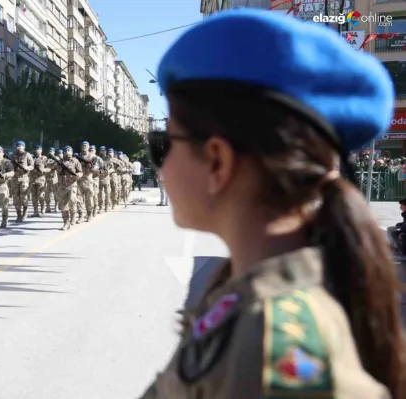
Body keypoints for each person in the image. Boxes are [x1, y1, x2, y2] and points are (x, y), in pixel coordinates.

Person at [142, 9, 404, 399]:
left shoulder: (276, 348)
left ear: (217, 161)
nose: (160, 165)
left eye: (164, 145)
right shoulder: (245, 296)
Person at [56, 146, 83, 230]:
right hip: (62, 185)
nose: (67, 152)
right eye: (66, 150)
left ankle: (73, 215)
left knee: (72, 201)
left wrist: (78, 175)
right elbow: (58, 172)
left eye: (69, 150)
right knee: (63, 205)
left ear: (72, 152)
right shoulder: (60, 161)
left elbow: (80, 172)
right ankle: (66, 222)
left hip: (72, 184)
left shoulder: (75, 161)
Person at [9, 141, 34, 222]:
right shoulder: (12, 155)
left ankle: (25, 212)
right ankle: (18, 215)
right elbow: (9, 166)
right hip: (14, 179)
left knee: (24, 197)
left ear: (24, 147)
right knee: (16, 198)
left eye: (20, 146)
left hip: (24, 178)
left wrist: (27, 168)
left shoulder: (27, 155)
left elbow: (32, 166)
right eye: (18, 146)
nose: (19, 147)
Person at [76, 141, 99, 222]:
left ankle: (89, 214)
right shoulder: (77, 156)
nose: (84, 147)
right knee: (79, 199)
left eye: (85, 145)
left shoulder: (93, 157)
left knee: (89, 199)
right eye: (82, 145)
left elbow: (97, 166)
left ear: (89, 147)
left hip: (88, 180)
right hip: (79, 181)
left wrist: (92, 167)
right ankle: (81, 215)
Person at [29, 145, 50, 217]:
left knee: (41, 196)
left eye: (38, 149)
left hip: (41, 180)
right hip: (32, 180)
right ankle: (35, 212)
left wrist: (43, 170)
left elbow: (49, 168)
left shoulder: (44, 158)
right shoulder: (32, 158)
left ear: (41, 150)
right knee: (34, 197)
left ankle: (43, 207)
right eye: (36, 149)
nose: (37, 150)